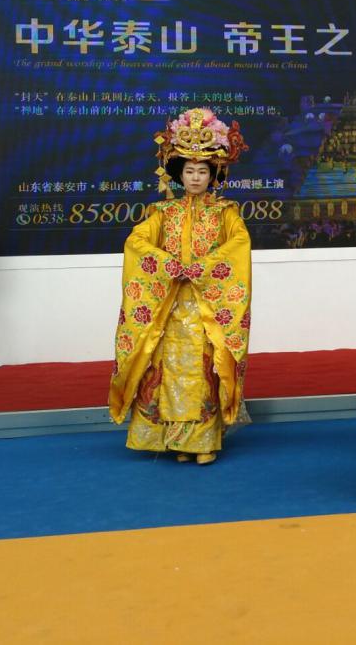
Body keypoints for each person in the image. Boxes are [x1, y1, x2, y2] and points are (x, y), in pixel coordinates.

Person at [109, 107, 252, 464]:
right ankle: (171, 440)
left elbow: (239, 244)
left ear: (213, 174)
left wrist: (204, 267)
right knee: (165, 370)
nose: (195, 178)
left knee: (203, 371)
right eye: (189, 171)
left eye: (202, 171)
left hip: (206, 307)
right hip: (169, 306)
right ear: (179, 174)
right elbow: (137, 241)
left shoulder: (225, 213)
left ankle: (203, 441)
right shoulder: (163, 213)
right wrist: (166, 263)